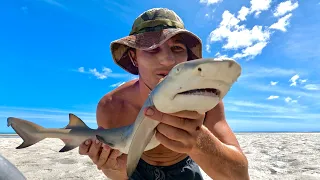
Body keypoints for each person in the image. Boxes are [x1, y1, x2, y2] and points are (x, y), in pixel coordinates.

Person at [78, 8, 249, 180]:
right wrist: (113, 167)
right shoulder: (111, 105)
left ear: (187, 59)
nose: (168, 60)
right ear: (134, 57)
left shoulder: (204, 100)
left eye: (177, 48)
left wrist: (199, 142)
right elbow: (119, 173)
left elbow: (240, 176)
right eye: (151, 49)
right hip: (137, 166)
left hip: (184, 167)